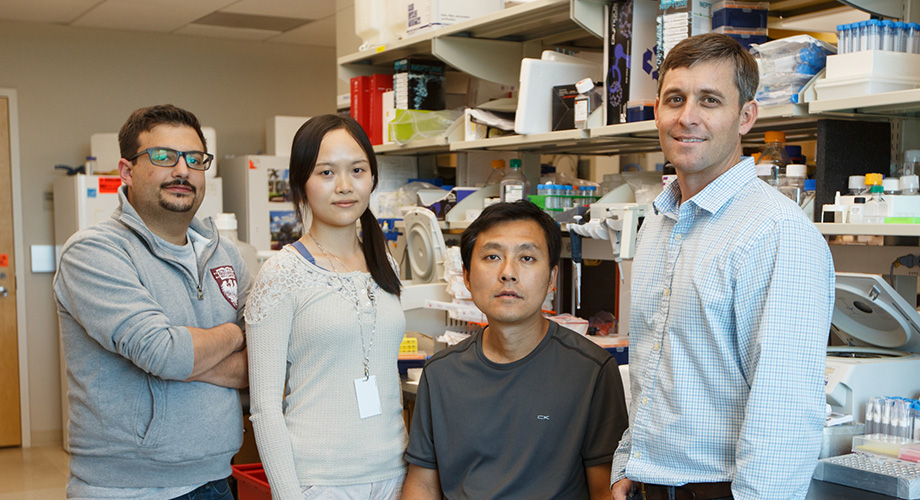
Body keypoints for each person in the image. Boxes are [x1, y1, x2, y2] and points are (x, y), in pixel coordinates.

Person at [610, 33, 835, 500]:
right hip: (650, 486)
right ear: (657, 111)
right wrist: (628, 462)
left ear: (745, 117)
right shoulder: (658, 221)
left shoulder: (775, 232)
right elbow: (653, 365)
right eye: (676, 99)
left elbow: (785, 405)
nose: (687, 117)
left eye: (709, 100)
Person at [54, 104, 250, 500]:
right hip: (127, 489)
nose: (182, 170)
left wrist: (183, 354)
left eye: (195, 159)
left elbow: (262, 365)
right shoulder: (94, 252)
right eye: (163, 156)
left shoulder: (225, 255)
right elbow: (164, 355)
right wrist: (235, 332)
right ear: (126, 171)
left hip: (216, 478)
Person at [402, 200, 628, 500]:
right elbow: (423, 484)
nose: (508, 273)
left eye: (527, 258)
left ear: (551, 279)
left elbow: (605, 491)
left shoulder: (591, 370)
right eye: (492, 256)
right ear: (467, 276)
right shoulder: (441, 373)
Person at [246, 114, 407, 500]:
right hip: (320, 481)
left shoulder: (387, 263)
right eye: (326, 173)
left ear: (373, 177)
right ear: (301, 183)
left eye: (357, 170)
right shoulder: (282, 273)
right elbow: (265, 407)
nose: (345, 186)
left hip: (395, 474)